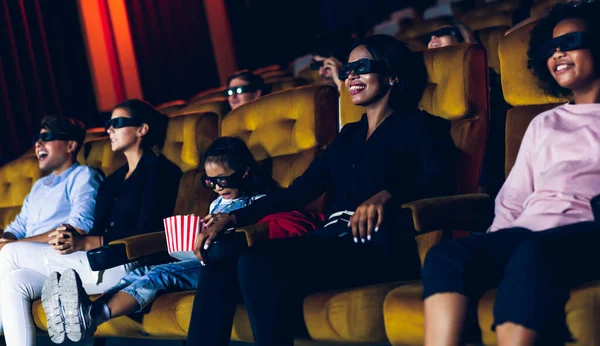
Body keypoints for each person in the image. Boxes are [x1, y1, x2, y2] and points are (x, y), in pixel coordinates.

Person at [187, 35, 457, 346]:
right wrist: (231, 219)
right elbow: (297, 192)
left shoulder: (421, 126)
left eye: (362, 67)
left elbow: (439, 180)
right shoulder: (348, 137)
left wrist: (388, 195)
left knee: (257, 260)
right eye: (348, 70)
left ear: (392, 74)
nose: (351, 76)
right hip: (329, 243)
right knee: (219, 265)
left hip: (378, 245)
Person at [422, 2, 600, 345]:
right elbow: (514, 197)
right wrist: (492, 244)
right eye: (551, 48)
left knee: (533, 253)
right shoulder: (544, 123)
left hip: (586, 231)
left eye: (571, 41)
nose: (558, 52)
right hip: (529, 232)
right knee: (447, 256)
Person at [41, 136, 278, 343]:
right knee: (140, 271)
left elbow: (255, 241)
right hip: (202, 259)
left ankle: (93, 316)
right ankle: (86, 310)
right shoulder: (218, 202)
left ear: (245, 173)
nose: (216, 188)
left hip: (225, 268)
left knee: (160, 275)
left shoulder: (258, 203)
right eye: (209, 182)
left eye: (222, 181)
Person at [0, 99, 181, 346]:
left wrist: (85, 241)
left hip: (126, 259)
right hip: (94, 260)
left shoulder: (160, 171)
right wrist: (78, 242)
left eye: (117, 123)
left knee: (10, 252)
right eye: (108, 124)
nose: (109, 129)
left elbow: (147, 228)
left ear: (142, 129)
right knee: (15, 280)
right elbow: (95, 226)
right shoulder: (114, 179)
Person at [427, 21, 508, 198]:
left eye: (442, 31)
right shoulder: (425, 82)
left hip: (483, 154)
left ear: (462, 37)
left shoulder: (485, 74)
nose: (433, 37)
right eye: (430, 36)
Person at [0, 116, 102, 247]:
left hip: (58, 251)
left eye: (46, 138)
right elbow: (18, 227)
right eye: (37, 139)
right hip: (25, 254)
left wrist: (15, 245)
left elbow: (77, 228)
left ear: (70, 146)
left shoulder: (83, 175)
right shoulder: (39, 184)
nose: (38, 144)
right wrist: (6, 239)